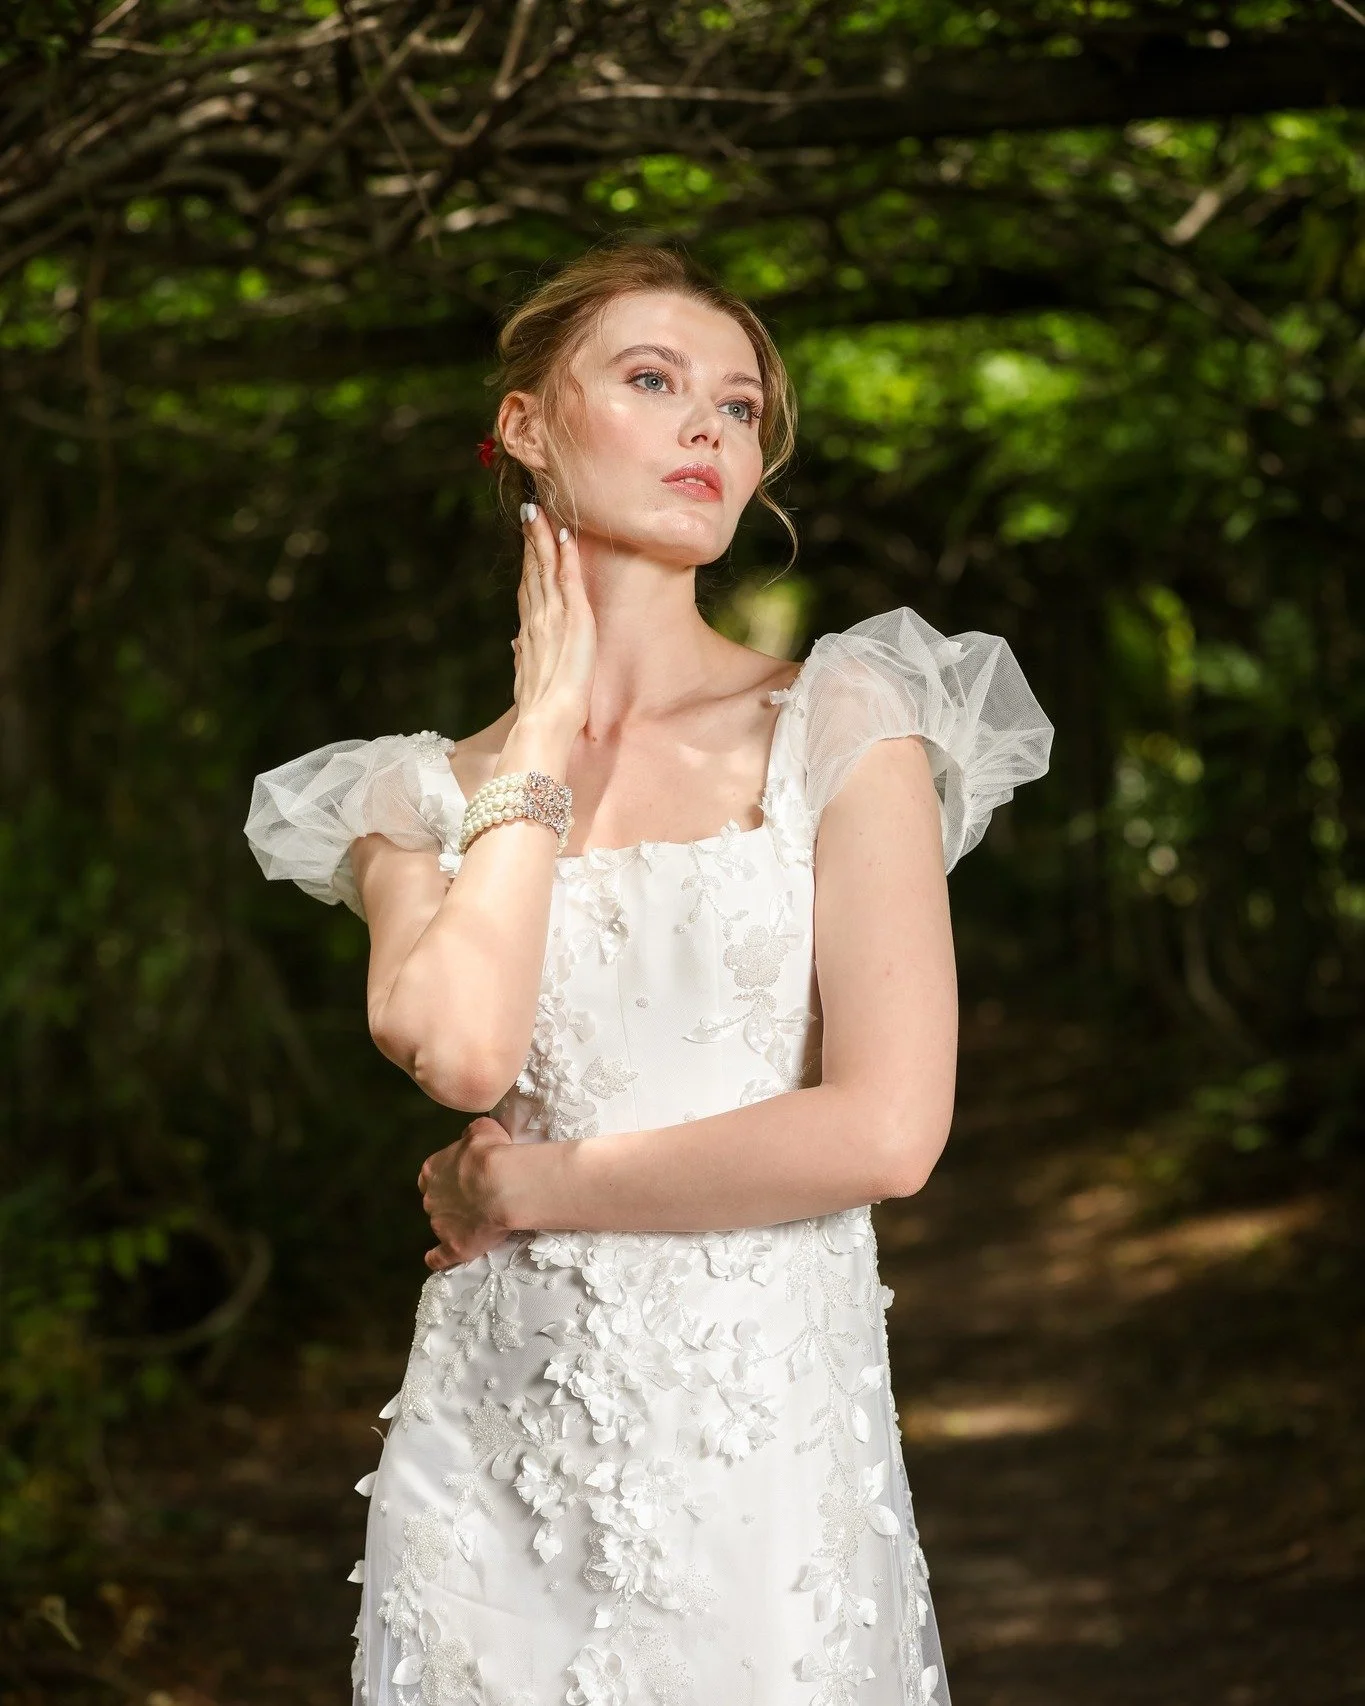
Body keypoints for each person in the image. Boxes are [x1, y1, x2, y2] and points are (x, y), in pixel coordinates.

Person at [244, 240, 1054, 1706]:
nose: (709, 427)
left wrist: (536, 1187)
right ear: (527, 426)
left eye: (741, 407)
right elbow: (465, 1053)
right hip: (487, 1463)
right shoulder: (404, 794)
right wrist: (542, 731)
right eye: (653, 378)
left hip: (758, 1456)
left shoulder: (839, 720)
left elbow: (889, 1129)